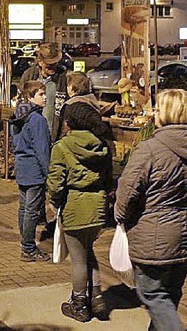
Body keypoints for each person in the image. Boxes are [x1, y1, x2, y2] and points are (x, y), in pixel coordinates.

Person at [114, 89, 187, 331]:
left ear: (167, 113)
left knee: (155, 295)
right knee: (170, 294)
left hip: (154, 239)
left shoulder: (149, 149)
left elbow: (128, 192)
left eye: (157, 109)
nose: (154, 113)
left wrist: (120, 217)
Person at [48, 102, 112, 323]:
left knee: (78, 260)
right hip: (98, 206)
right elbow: (109, 177)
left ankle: (79, 304)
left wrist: (54, 202)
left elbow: (56, 182)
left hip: (74, 205)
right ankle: (97, 298)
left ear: (69, 122)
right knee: (89, 252)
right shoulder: (102, 145)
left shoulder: (62, 146)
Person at [10, 80, 52, 262]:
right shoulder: (37, 119)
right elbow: (42, 149)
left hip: (22, 167)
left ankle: (25, 244)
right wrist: (49, 173)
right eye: (41, 94)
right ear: (30, 97)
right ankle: (28, 248)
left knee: (24, 208)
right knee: (32, 211)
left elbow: (15, 142)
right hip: (34, 169)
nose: (45, 98)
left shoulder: (18, 116)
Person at [20, 43, 69, 142]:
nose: (52, 67)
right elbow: (21, 101)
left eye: (55, 63)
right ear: (40, 62)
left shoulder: (63, 78)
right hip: (32, 130)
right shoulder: (29, 76)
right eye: (49, 64)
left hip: (54, 131)